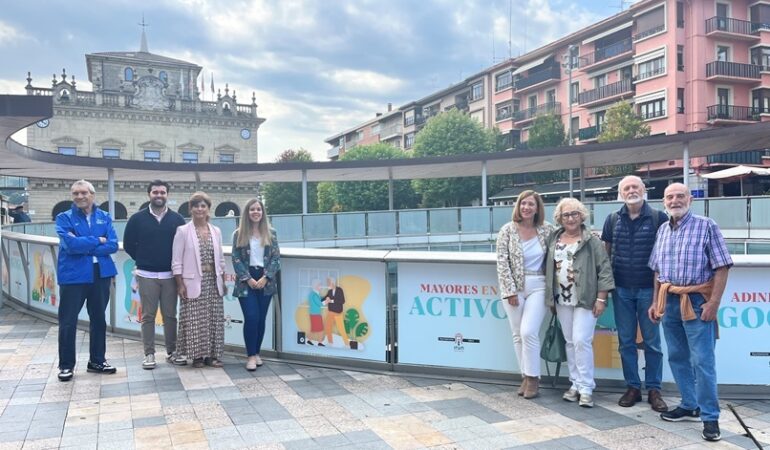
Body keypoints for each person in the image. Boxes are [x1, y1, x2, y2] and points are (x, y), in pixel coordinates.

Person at [648, 183, 732, 442]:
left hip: (696, 302)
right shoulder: (663, 229)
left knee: (703, 361)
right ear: (664, 202)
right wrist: (655, 302)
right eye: (669, 197)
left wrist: (714, 303)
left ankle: (710, 417)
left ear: (690, 199)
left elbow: (722, 266)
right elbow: (657, 271)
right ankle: (689, 404)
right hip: (669, 301)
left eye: (680, 196)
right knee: (677, 357)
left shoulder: (707, 225)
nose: (675, 200)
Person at [601, 176, 668, 412]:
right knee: (626, 342)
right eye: (626, 188)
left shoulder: (659, 218)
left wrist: (658, 294)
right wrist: (604, 289)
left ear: (643, 190)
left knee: (653, 343)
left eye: (635, 187)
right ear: (621, 193)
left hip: (649, 290)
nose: (631, 191)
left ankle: (654, 389)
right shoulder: (612, 219)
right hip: (621, 291)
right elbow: (604, 256)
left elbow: (664, 258)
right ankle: (632, 387)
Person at [545, 198, 614, 408]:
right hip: (561, 299)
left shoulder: (591, 240)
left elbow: (604, 269)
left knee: (581, 340)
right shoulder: (554, 238)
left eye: (575, 213)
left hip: (586, 299)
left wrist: (602, 298)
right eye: (566, 215)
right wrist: (550, 299)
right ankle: (574, 383)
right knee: (569, 341)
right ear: (560, 218)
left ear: (581, 215)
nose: (571, 218)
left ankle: (586, 387)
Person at [55, 180, 118, 381]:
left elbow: (113, 245)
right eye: (75, 193)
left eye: (83, 193)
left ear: (92, 194)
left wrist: (84, 243)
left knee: (99, 319)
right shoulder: (63, 218)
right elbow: (70, 245)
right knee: (68, 321)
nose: (79, 197)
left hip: (101, 273)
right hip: (73, 276)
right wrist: (97, 240)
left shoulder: (104, 217)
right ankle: (66, 365)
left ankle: (97, 361)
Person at [496, 190, 554, 399]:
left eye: (531, 204)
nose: (527, 208)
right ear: (518, 206)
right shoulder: (507, 230)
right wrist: (510, 290)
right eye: (523, 204)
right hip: (514, 287)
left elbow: (564, 244)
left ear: (538, 208)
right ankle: (525, 375)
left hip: (539, 284)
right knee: (517, 334)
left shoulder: (547, 230)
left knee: (529, 332)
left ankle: (533, 378)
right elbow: (502, 262)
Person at [123, 180, 187, 369]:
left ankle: (172, 352)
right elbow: (128, 244)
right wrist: (144, 259)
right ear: (149, 194)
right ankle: (149, 354)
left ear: (167, 195)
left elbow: (183, 247)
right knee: (148, 316)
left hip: (170, 276)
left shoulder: (177, 219)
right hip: (146, 274)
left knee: (170, 315)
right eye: (155, 192)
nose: (159, 195)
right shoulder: (137, 219)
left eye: (162, 192)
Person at [172, 192, 227, 368]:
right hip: (191, 282)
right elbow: (176, 261)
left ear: (208, 209)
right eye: (196, 205)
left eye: (203, 206)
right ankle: (196, 357)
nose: (199, 209)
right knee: (194, 320)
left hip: (213, 280)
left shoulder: (216, 231)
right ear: (191, 209)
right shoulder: (183, 231)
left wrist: (223, 281)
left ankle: (211, 355)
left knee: (213, 319)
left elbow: (221, 260)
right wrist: (179, 284)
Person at [231, 198, 281, 371]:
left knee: (260, 319)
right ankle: (250, 355)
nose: (255, 212)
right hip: (247, 281)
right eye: (252, 209)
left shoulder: (271, 233)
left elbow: (276, 258)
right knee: (251, 317)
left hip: (265, 280)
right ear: (247, 212)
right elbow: (236, 259)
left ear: (263, 212)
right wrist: (248, 278)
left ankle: (257, 352)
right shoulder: (238, 234)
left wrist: (266, 277)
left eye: (258, 209)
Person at [322, 277, 350, 348]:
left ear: (332, 283)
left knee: (341, 329)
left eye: (328, 282)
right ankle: (330, 342)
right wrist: (324, 299)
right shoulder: (329, 291)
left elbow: (342, 301)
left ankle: (347, 344)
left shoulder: (339, 290)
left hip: (338, 313)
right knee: (328, 327)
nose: (328, 284)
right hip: (330, 312)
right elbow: (325, 298)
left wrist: (331, 300)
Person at [306, 280, 325, 346]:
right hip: (316, 314)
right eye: (319, 285)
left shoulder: (314, 294)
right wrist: (327, 301)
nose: (321, 287)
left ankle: (309, 340)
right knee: (320, 329)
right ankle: (319, 342)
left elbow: (319, 299)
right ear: (315, 286)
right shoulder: (314, 295)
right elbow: (320, 304)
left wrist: (324, 298)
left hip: (313, 314)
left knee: (313, 329)